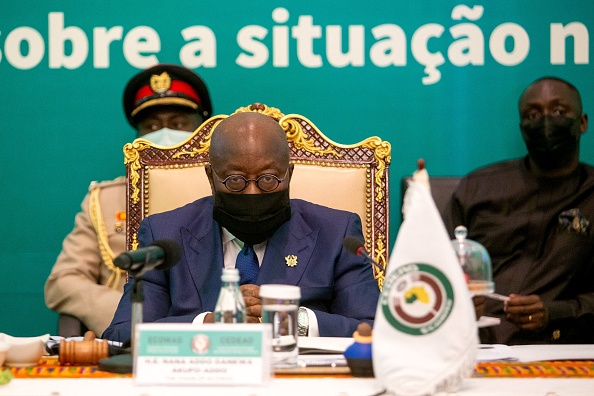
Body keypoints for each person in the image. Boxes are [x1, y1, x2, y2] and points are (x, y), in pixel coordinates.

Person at [102, 111, 379, 342]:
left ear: (289, 174)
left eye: (268, 179)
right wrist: (205, 325)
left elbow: (376, 331)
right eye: (235, 180)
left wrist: (297, 322)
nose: (252, 194)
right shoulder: (165, 234)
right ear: (211, 177)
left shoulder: (336, 232)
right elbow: (121, 335)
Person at [45, 64, 213, 336]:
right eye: (152, 126)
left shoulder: (230, 192)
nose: (165, 133)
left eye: (179, 124)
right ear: (138, 136)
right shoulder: (104, 201)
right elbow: (62, 282)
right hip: (124, 343)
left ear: (203, 128)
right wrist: (134, 311)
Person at [446, 76, 594, 345]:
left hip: (562, 345)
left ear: (582, 123)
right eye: (533, 114)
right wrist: (457, 299)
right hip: (473, 344)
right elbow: (432, 268)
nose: (546, 121)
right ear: (523, 128)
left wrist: (557, 311)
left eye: (560, 111)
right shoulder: (478, 188)